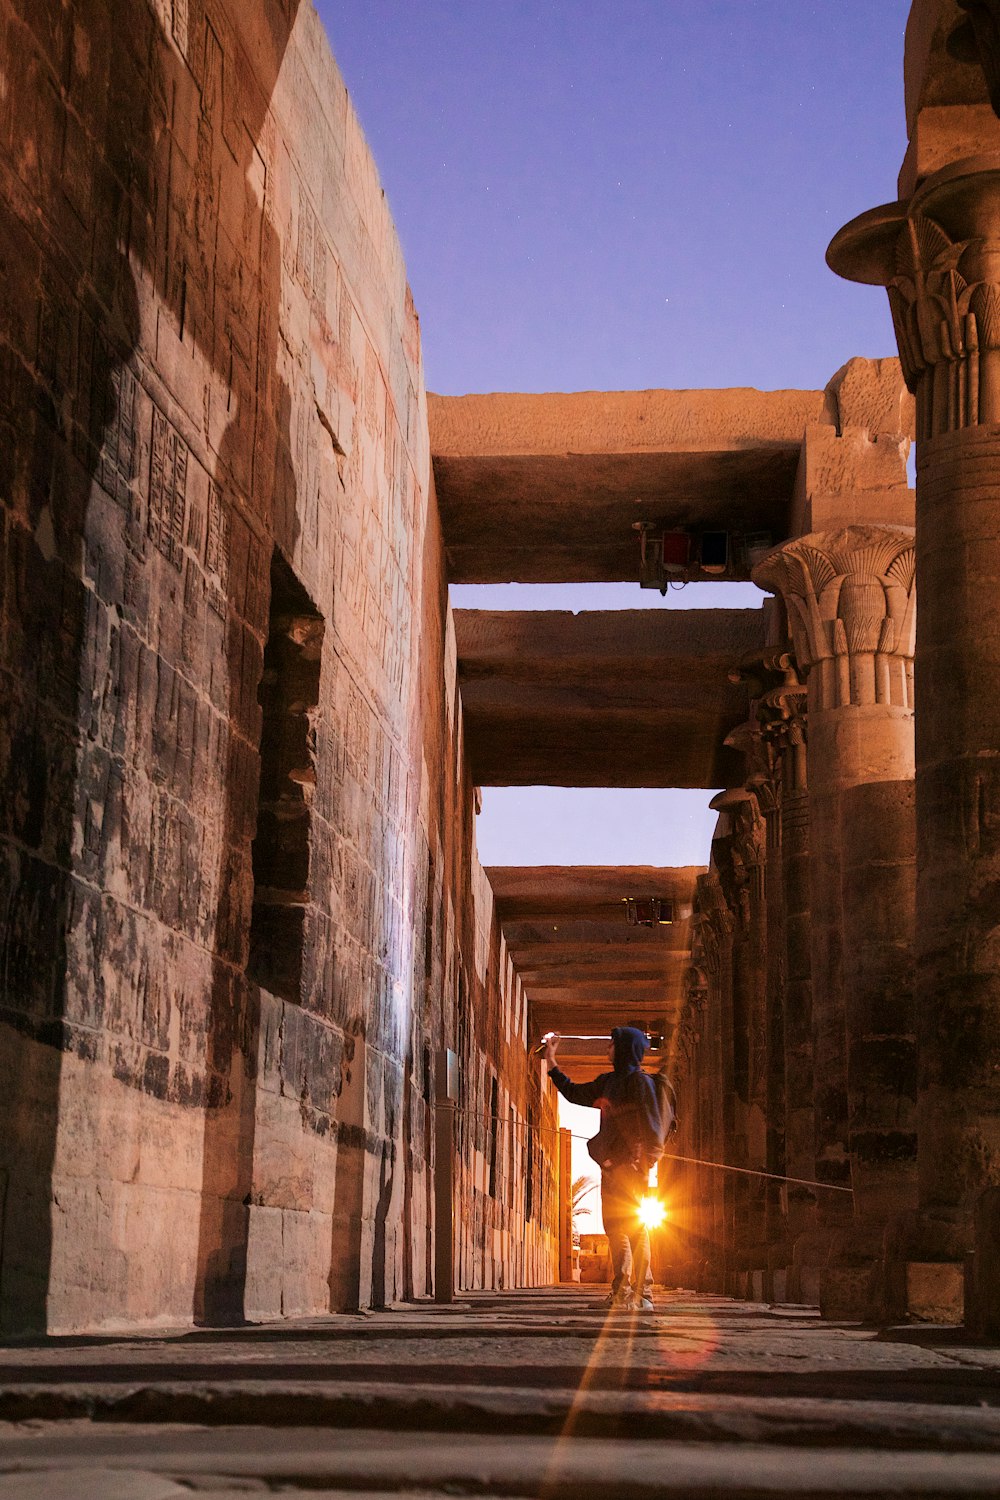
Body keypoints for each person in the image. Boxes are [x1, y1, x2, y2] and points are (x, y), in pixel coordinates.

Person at [544, 1026, 663, 1311]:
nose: (607, 1048)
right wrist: (551, 1059)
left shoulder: (641, 1083)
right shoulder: (608, 1082)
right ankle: (627, 1293)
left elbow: (654, 1129)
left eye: (612, 1044)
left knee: (631, 1228)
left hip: (632, 1170)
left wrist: (645, 1164)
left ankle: (641, 1294)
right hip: (610, 1168)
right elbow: (573, 1093)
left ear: (623, 1049)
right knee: (617, 1228)